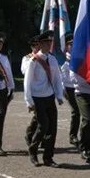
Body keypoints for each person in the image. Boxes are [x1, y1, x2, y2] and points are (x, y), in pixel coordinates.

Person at [23, 30, 64, 167]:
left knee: (52, 128)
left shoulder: (52, 59)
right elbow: (27, 82)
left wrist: (59, 95)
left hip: (49, 96)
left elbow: (57, 79)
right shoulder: (33, 60)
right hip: (37, 97)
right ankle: (33, 150)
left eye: (50, 42)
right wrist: (29, 101)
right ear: (40, 44)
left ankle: (48, 158)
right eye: (46, 42)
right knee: (43, 125)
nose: (48, 45)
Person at [61, 33, 81, 148]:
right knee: (75, 111)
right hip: (69, 88)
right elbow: (62, 76)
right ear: (66, 46)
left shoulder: (78, 58)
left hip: (78, 87)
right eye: (70, 44)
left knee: (79, 112)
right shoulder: (64, 59)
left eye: (74, 44)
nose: (73, 46)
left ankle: (75, 134)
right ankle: (73, 135)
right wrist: (63, 90)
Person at [21, 35, 41, 146]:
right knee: (38, 115)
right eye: (35, 46)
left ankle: (38, 137)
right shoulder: (27, 58)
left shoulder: (44, 57)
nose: (37, 48)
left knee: (43, 115)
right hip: (33, 90)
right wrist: (33, 60)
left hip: (44, 90)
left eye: (38, 45)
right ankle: (30, 134)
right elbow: (24, 70)